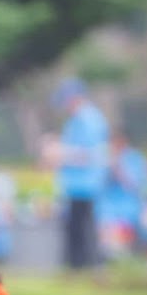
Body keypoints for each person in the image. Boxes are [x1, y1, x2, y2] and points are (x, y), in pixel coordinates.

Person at [50, 77, 109, 270]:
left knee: (86, 236)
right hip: (74, 187)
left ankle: (91, 271)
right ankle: (74, 271)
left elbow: (90, 154)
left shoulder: (90, 120)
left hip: (87, 187)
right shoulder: (74, 121)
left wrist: (61, 152)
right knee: (73, 235)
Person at [101, 131, 147, 259]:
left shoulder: (135, 159)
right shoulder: (104, 160)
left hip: (129, 210)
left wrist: (119, 169)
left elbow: (137, 186)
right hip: (106, 211)